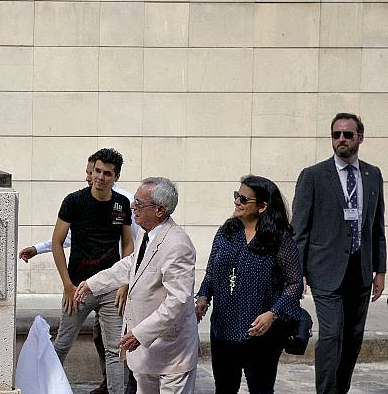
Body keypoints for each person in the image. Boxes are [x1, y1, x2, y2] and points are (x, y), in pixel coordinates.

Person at [18, 150, 138, 394]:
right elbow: (57, 242)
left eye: (107, 173)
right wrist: (67, 285)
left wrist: (125, 283)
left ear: (116, 176)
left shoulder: (122, 204)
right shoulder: (73, 201)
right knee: (62, 343)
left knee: (115, 350)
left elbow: (128, 243)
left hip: (111, 288)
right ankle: (46, 389)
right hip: (78, 287)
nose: (100, 177)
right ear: (91, 171)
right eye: (97, 171)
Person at [75, 177, 199, 394]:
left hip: (171, 353)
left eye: (139, 203)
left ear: (160, 210)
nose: (132, 206)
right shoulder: (146, 233)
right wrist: (92, 284)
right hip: (145, 352)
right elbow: (131, 265)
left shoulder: (177, 245)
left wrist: (140, 333)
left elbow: (178, 301)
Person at [293, 112, 386, 394]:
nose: (341, 139)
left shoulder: (373, 174)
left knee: (353, 337)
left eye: (347, 134)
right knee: (331, 335)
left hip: (360, 270)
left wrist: (380, 270)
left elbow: (377, 226)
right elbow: (300, 230)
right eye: (336, 135)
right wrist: (298, 273)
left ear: (360, 137)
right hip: (325, 270)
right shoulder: (313, 176)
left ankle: (339, 390)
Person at [196, 175, 303, 394]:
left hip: (260, 333)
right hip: (223, 330)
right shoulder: (225, 233)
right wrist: (203, 297)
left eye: (244, 199)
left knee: (261, 389)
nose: (237, 202)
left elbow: (294, 283)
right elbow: (211, 272)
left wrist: (272, 314)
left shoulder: (279, 238)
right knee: (224, 389)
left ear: (263, 206)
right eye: (237, 196)